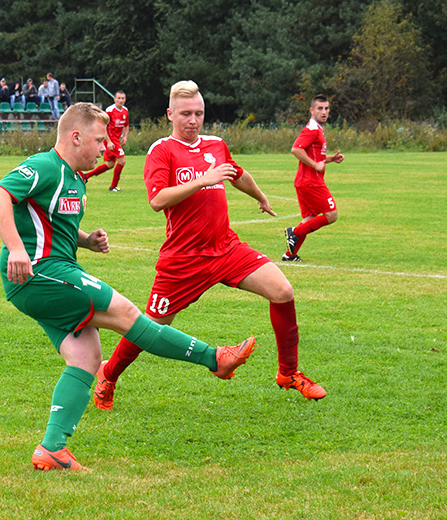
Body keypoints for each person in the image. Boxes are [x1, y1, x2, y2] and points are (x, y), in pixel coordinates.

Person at [0, 102, 257, 471]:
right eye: (100, 140)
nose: (105, 148)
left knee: (86, 358)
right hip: (39, 272)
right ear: (75, 136)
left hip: (51, 271)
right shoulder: (44, 165)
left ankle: (52, 449)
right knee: (128, 314)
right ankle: (215, 359)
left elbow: (48, 223)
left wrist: (86, 239)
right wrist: (17, 249)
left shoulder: (75, 178)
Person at [93, 80, 327, 412]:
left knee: (283, 291)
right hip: (183, 259)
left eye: (199, 113)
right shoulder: (161, 150)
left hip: (226, 248)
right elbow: (157, 200)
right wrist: (203, 180)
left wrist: (260, 196)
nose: (193, 120)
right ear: (170, 114)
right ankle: (109, 374)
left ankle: (288, 373)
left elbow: (236, 174)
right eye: (186, 113)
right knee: (151, 328)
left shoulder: (216, 144)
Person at [282, 94, 344, 262]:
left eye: (326, 109)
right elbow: (296, 149)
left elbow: (315, 156)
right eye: (320, 108)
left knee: (309, 219)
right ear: (312, 110)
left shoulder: (317, 129)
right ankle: (294, 233)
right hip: (311, 182)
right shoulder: (312, 130)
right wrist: (315, 165)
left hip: (304, 182)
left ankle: (289, 255)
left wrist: (330, 159)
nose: (324, 112)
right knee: (331, 215)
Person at [86, 90, 128, 191]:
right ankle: (113, 186)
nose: (120, 100)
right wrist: (108, 141)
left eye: (122, 98)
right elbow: (103, 126)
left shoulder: (125, 111)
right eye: (118, 98)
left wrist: (125, 136)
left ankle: (86, 176)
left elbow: (126, 125)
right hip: (111, 139)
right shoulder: (109, 110)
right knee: (122, 161)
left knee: (110, 165)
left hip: (116, 140)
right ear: (114, 99)